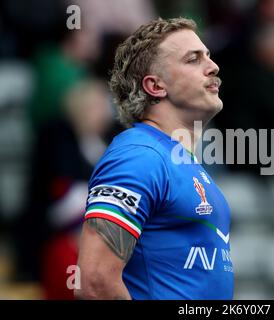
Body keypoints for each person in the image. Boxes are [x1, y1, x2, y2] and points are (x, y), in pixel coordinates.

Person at [75, 17, 233, 300]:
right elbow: (94, 283)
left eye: (208, 56)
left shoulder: (179, 160)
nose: (213, 67)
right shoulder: (138, 156)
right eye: (193, 59)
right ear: (155, 86)